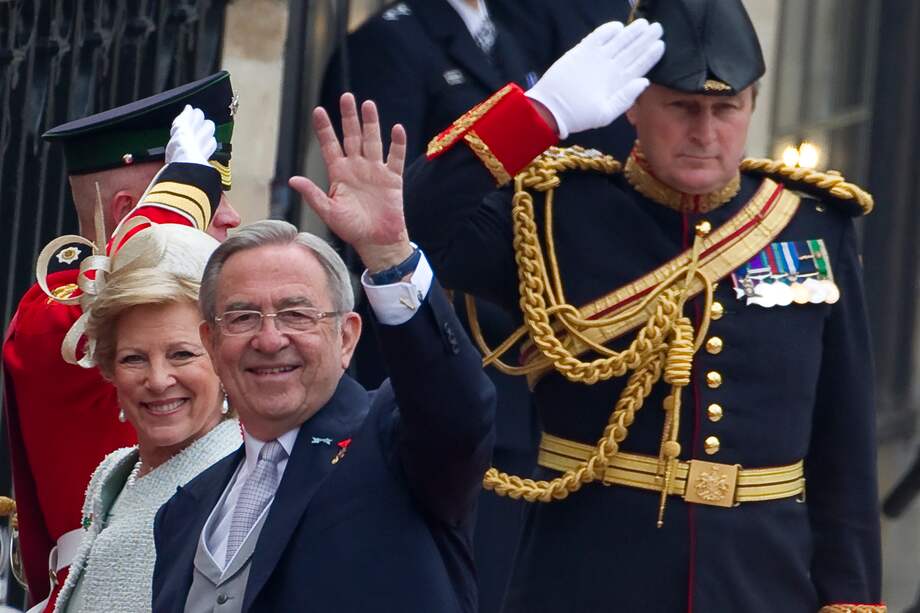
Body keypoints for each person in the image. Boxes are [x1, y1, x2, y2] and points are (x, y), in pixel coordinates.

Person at [403, 1, 885, 611]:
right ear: (633, 104)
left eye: (726, 108)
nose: (705, 133)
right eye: (682, 107)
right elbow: (410, 226)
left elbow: (845, 436)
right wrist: (537, 116)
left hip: (763, 580)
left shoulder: (812, 225)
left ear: (754, 105)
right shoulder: (552, 214)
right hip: (589, 576)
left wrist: (853, 598)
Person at [151, 95, 495, 613]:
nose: (269, 340)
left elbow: (459, 411)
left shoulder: (393, 446)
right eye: (243, 317)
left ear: (347, 337)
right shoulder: (182, 513)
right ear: (211, 344)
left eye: (296, 314)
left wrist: (389, 254)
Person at [320, 4, 538, 609]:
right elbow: (385, 213)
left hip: (515, 357)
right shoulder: (391, 42)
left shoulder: (504, 33)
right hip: (441, 351)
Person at [2, 71, 241, 612]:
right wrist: (177, 198)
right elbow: (114, 294)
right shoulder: (54, 311)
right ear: (128, 215)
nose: (230, 216)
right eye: (211, 199)